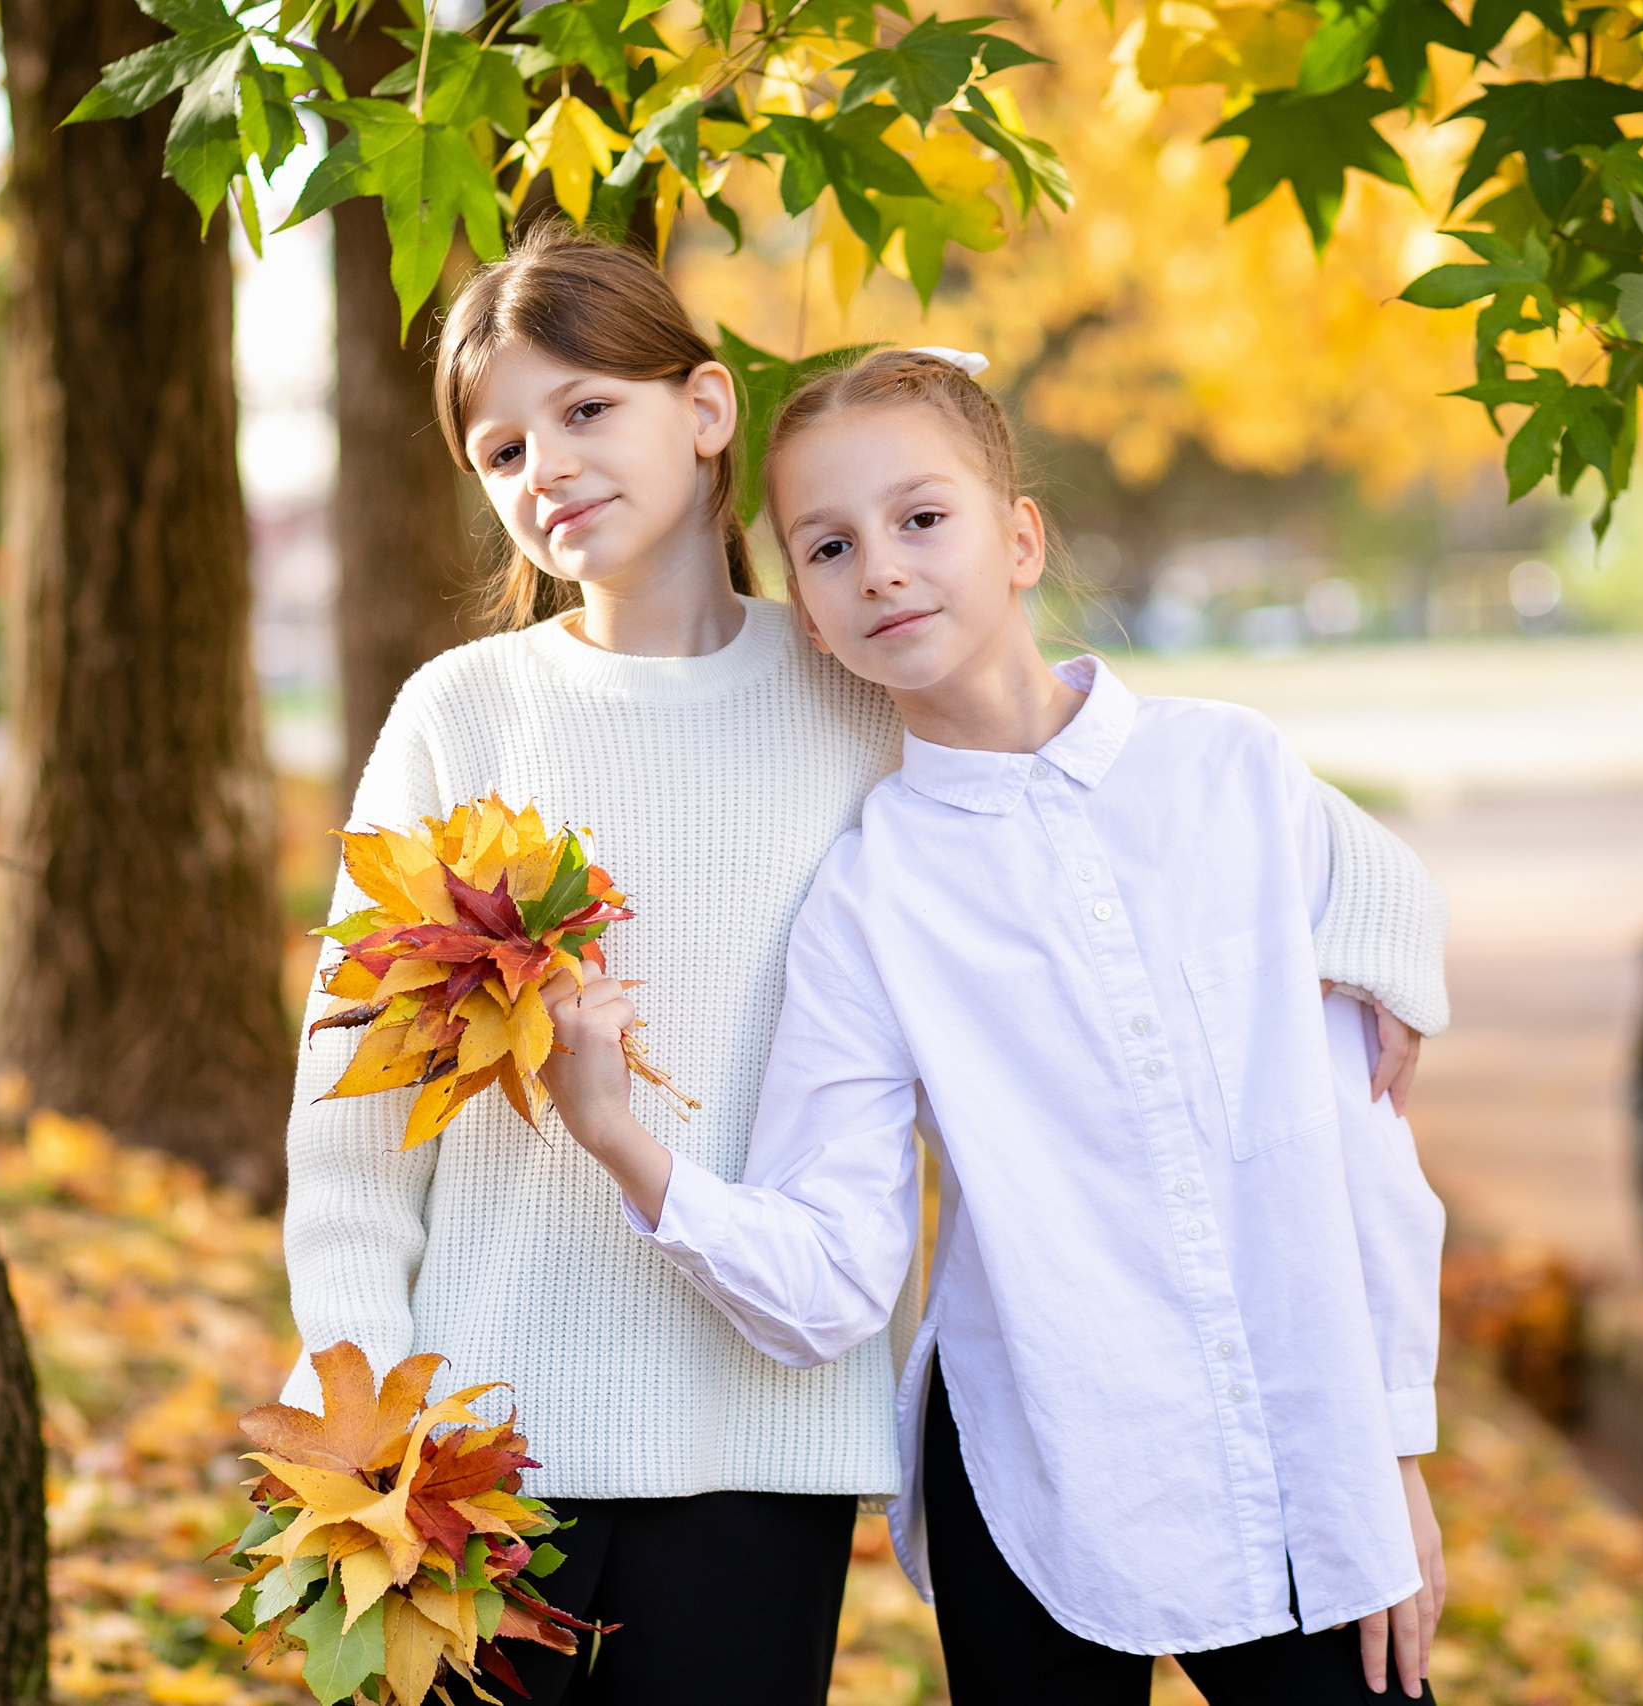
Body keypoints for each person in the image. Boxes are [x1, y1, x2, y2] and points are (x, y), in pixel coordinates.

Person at [281, 228, 1450, 1706]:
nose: (548, 466)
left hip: (768, 1432)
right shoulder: (465, 712)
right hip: (476, 1433)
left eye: (585, 409)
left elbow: (1207, 811)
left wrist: (1381, 953)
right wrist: (359, 1408)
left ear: (706, 409)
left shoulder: (851, 668)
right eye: (502, 449)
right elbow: (356, 1110)